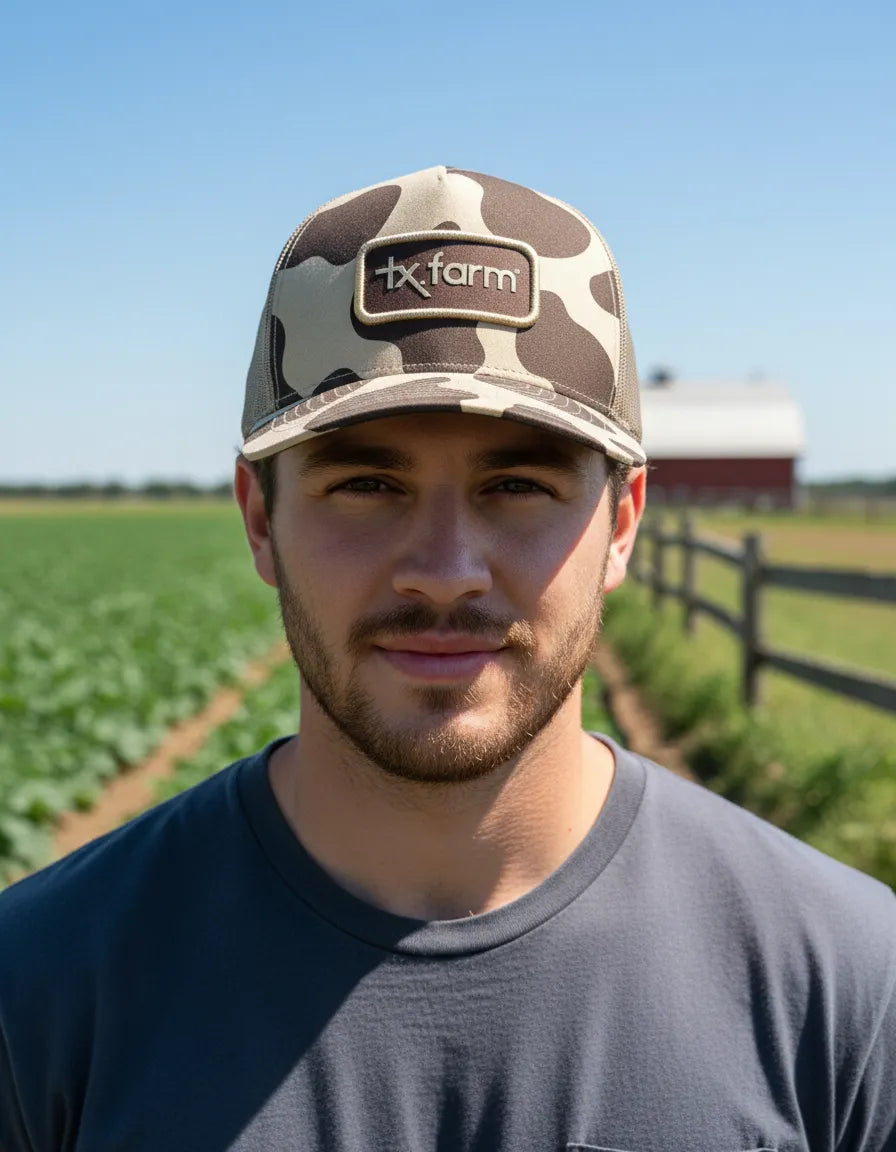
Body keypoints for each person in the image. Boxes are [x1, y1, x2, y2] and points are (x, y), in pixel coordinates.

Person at [1, 166, 893, 1152]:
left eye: (517, 485)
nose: (443, 572)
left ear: (621, 523)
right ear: (260, 519)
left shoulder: (847, 991)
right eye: (366, 484)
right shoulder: (36, 992)